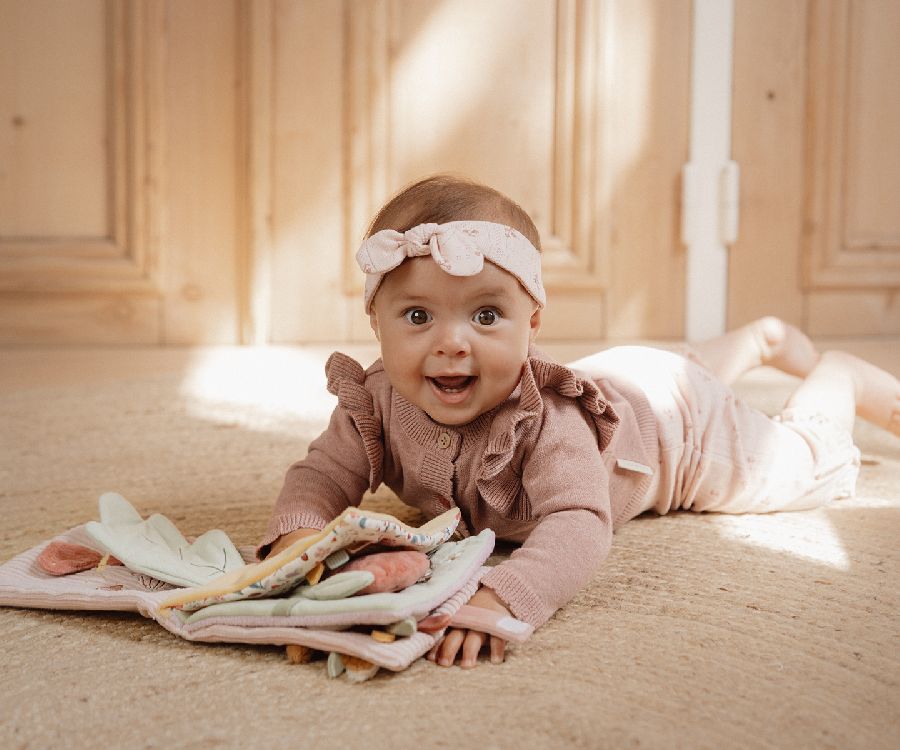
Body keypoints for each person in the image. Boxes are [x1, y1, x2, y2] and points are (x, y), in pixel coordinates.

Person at [258, 174, 900, 669]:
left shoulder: (551, 419)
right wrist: (299, 537)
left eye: (486, 316)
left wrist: (504, 594)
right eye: (418, 316)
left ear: (532, 324)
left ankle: (841, 377)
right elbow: (322, 473)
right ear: (376, 323)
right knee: (669, 373)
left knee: (802, 462)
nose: (452, 343)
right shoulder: (373, 401)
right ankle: (758, 341)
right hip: (634, 376)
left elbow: (581, 523)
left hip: (682, 436)